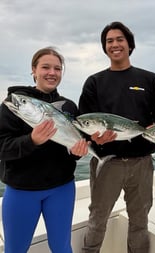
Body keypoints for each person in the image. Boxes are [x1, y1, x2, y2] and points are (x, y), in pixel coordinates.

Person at [78, 21, 155, 253]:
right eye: (109, 41)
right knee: (98, 218)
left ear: (130, 44)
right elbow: (84, 124)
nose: (114, 44)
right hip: (108, 163)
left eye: (119, 39)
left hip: (142, 163)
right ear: (105, 47)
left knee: (140, 219)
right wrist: (96, 139)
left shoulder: (150, 80)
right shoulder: (94, 82)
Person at [0, 47, 90, 253]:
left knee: (61, 247)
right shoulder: (13, 104)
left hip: (62, 188)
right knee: (15, 249)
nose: (52, 72)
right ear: (34, 70)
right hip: (22, 190)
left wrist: (77, 151)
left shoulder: (68, 107)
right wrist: (31, 140)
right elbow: (1, 147)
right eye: (45, 67)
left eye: (57, 68)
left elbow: (72, 149)